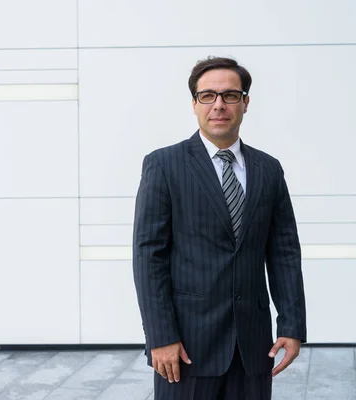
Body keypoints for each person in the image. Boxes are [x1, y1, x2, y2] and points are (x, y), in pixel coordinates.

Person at [132, 56, 307, 400]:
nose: (219, 105)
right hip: (186, 346)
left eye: (230, 95)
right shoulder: (164, 165)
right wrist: (161, 335)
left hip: (254, 345)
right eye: (208, 96)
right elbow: (148, 256)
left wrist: (291, 324)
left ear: (245, 103)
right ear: (194, 104)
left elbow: (284, 251)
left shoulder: (269, 169)